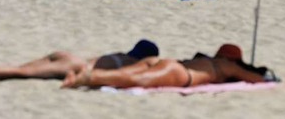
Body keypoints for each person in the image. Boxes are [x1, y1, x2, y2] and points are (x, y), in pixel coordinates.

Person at [61, 43, 272, 89]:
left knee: (125, 72)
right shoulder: (229, 66)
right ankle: (89, 78)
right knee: (138, 81)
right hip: (180, 72)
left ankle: (90, 72)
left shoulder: (211, 60)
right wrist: (250, 70)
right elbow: (259, 80)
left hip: (170, 62)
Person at [0, 39, 159, 79]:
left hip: (68, 56)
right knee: (19, 72)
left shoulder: (121, 55)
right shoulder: (130, 65)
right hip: (74, 66)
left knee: (17, 68)